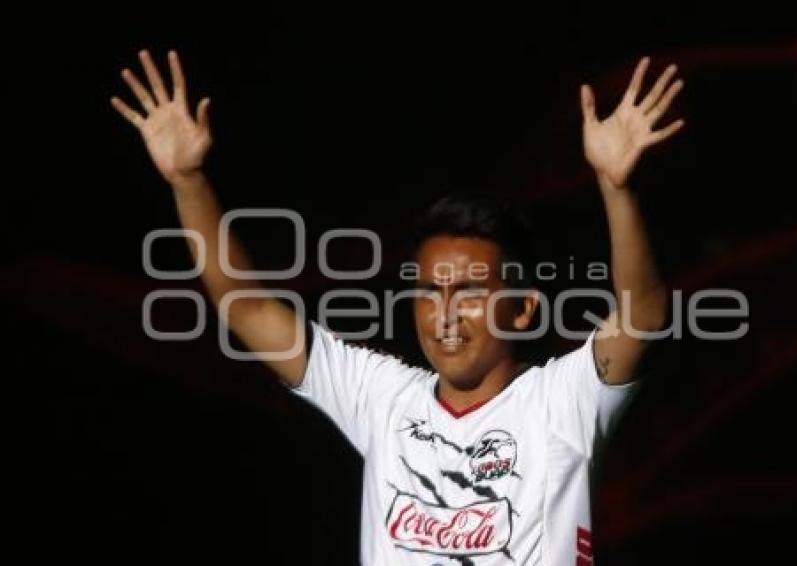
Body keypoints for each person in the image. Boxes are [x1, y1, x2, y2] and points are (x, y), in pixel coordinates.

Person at [112, 49, 683, 565]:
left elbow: (644, 315)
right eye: (431, 291)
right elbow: (249, 311)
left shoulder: (563, 405)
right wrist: (188, 181)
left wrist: (616, 189)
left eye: (469, 292)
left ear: (524, 310)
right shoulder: (383, 399)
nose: (445, 312)